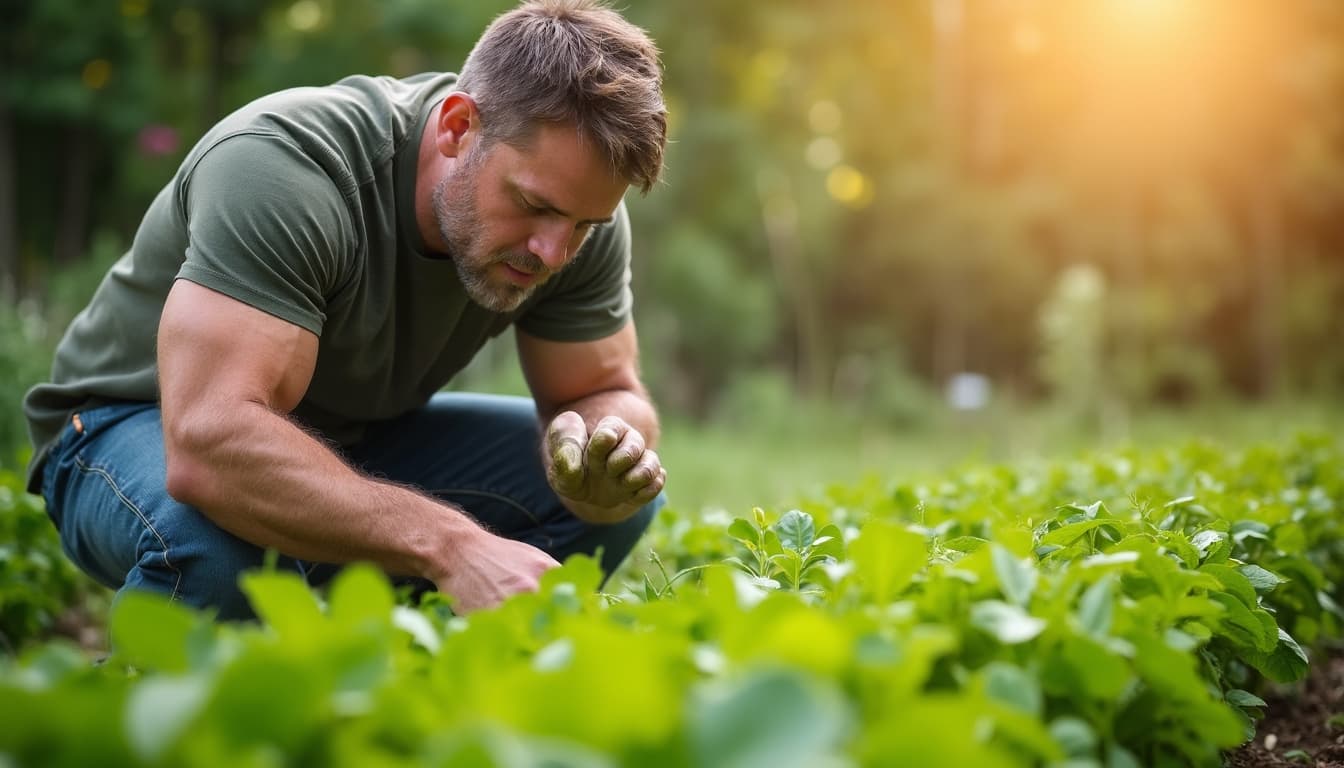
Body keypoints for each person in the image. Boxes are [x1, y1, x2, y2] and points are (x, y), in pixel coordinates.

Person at [21, 0, 669, 620]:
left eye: (585, 224)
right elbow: (208, 442)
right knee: (224, 555)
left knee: (621, 500)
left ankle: (404, 665)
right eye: (536, 205)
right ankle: (150, 695)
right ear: (457, 127)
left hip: (349, 440)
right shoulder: (284, 169)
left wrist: (599, 442)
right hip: (128, 425)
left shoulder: (577, 220)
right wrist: (451, 546)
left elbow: (607, 388)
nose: (555, 252)